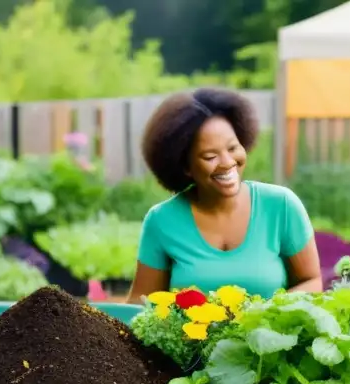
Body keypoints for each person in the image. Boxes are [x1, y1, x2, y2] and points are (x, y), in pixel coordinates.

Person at [126, 87, 322, 302]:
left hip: (268, 334)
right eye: (210, 156)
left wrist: (262, 315)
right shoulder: (162, 221)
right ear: (186, 167)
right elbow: (141, 301)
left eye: (232, 148)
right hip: (190, 335)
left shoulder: (281, 206)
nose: (228, 163)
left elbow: (312, 282)